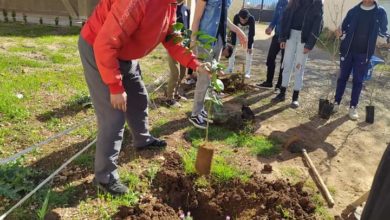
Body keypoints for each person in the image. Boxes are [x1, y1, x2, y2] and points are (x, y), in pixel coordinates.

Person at [78, 0, 212, 195]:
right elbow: (105, 44)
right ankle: (104, 177)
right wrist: (115, 87)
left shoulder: (172, 3)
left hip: (124, 53)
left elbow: (171, 38)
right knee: (114, 115)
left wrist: (195, 63)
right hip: (98, 47)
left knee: (139, 98)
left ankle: (142, 140)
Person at [189, 0, 248, 129]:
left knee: (210, 78)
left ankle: (201, 109)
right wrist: (193, 44)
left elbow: (223, 17)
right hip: (205, 41)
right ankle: (195, 113)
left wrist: (238, 30)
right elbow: (197, 17)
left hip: (219, 41)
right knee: (203, 78)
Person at [333, 0, 388, 120]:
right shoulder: (353, 11)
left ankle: (353, 107)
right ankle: (336, 102)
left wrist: (387, 40)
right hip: (347, 52)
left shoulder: (380, 12)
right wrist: (340, 34)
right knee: (342, 78)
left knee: (358, 81)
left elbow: (383, 33)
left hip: (364, 54)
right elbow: (343, 33)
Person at [272, 0, 323, 109]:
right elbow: (284, 19)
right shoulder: (293, 2)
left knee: (299, 66)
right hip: (290, 35)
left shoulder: (317, 3)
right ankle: (282, 93)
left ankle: (295, 98)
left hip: (304, 38)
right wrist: (282, 38)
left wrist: (309, 44)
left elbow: (318, 25)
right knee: (286, 64)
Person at [257, 0, 288, 93]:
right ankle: (268, 82)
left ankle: (279, 86)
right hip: (277, 35)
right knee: (270, 58)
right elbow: (276, 17)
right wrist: (271, 27)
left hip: (287, 37)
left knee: (284, 62)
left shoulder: (294, 3)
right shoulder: (280, 2)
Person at [166, 0, 191, 108]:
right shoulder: (171, 7)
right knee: (175, 72)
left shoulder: (186, 10)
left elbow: (188, 27)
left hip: (184, 45)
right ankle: (169, 98)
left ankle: (176, 94)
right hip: (173, 45)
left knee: (182, 72)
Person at [226, 9, 255, 79]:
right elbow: (233, 31)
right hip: (238, 34)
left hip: (247, 35)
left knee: (249, 53)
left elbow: (252, 33)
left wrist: (250, 46)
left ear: (248, 17)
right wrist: (233, 43)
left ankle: (247, 72)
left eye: (245, 20)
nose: (243, 22)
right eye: (241, 20)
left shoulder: (251, 19)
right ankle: (230, 68)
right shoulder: (236, 17)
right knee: (232, 50)